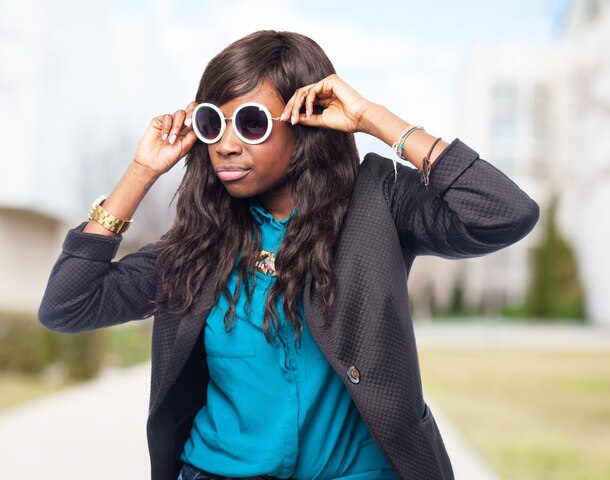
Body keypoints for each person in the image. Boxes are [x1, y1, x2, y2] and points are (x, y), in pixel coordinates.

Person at [38, 30, 539, 480]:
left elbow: (505, 212)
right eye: (214, 123)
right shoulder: (200, 240)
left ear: (304, 122)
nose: (226, 146)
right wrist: (142, 171)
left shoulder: (377, 202)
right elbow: (68, 305)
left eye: (252, 123)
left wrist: (376, 120)